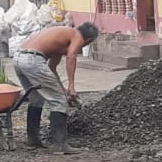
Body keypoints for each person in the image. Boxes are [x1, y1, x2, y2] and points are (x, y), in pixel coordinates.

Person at [15, 22, 99, 154]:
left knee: (36, 98)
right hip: (33, 60)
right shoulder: (76, 35)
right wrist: (71, 87)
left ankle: (33, 140)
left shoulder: (62, 39)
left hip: (19, 58)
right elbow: (71, 57)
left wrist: (63, 90)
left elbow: (51, 68)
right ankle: (61, 145)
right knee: (59, 101)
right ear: (88, 40)